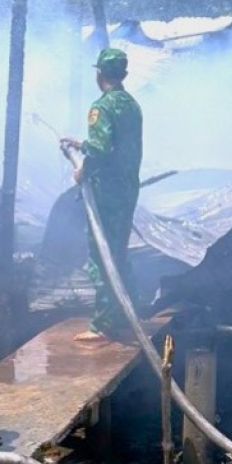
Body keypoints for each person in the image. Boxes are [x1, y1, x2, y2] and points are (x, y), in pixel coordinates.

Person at [61, 47, 144, 343]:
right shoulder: (132, 105)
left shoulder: (103, 107)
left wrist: (83, 153)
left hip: (107, 192)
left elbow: (101, 148)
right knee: (119, 251)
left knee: (101, 255)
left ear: (100, 74)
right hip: (127, 188)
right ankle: (130, 312)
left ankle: (105, 324)